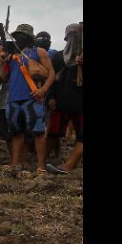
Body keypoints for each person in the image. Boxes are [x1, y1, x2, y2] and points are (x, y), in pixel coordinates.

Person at [0, 23, 55, 173]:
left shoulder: (39, 52)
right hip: (13, 99)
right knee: (16, 133)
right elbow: (3, 78)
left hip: (33, 97)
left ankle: (40, 166)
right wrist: (3, 61)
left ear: (29, 38)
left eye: (22, 36)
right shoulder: (11, 56)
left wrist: (43, 90)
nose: (19, 38)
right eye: (17, 36)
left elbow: (51, 74)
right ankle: (15, 163)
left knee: (38, 132)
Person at [46, 23, 83, 174]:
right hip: (62, 101)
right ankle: (43, 161)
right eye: (70, 35)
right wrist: (51, 96)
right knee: (54, 132)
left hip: (81, 102)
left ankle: (71, 164)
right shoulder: (59, 56)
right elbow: (52, 77)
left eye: (76, 35)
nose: (73, 38)